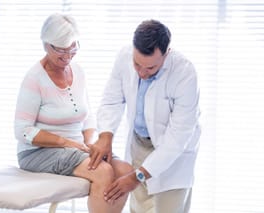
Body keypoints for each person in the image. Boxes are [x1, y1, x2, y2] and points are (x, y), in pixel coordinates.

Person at [14, 13, 134, 213]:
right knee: (102, 171)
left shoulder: (78, 72)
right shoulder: (34, 78)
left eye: (73, 49)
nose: (67, 58)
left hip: (77, 148)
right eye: (61, 52)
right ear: (46, 45)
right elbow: (22, 131)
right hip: (37, 153)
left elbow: (87, 117)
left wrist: (91, 143)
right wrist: (68, 143)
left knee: (124, 171)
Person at [88, 19, 201, 213]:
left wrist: (136, 177)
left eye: (150, 68)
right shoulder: (124, 56)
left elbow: (177, 138)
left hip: (174, 155)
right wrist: (105, 135)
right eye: (137, 64)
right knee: (139, 208)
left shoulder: (184, 73)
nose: (142, 73)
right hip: (139, 144)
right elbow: (112, 99)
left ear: (166, 54)